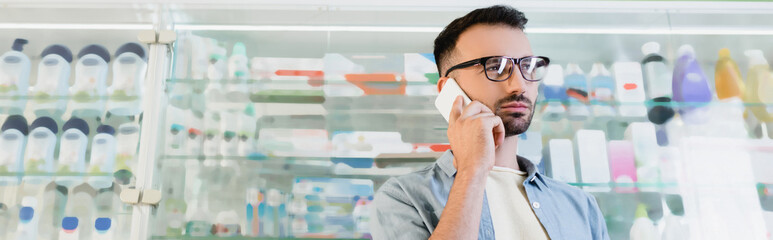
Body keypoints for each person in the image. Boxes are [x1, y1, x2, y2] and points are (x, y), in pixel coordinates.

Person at [370, 5, 609, 240]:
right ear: (449, 90)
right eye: (495, 67)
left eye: (527, 66)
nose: (519, 85)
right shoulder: (404, 198)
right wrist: (472, 170)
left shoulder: (580, 205)